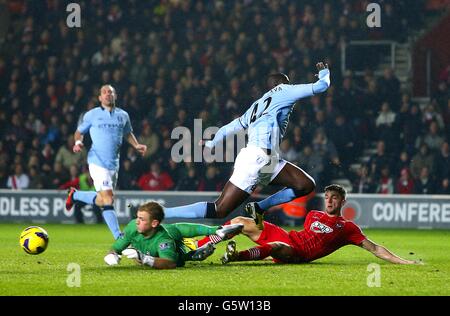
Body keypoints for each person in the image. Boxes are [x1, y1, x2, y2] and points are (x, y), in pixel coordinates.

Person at [163, 62, 330, 220]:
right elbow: (322, 86)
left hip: (267, 159)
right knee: (220, 209)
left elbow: (231, 126)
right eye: (288, 82)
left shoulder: (256, 106)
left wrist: (211, 143)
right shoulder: (285, 90)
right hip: (256, 158)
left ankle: (258, 208)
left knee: (305, 184)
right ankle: (163, 213)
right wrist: (324, 72)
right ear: (280, 83)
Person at [220, 184, 422, 265]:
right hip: (288, 237)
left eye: (334, 198)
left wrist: (405, 262)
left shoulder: (347, 228)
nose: (329, 201)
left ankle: (236, 256)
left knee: (276, 248)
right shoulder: (313, 215)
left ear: (343, 201)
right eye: (327, 197)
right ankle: (204, 243)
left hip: (297, 253)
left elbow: (375, 248)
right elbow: (307, 235)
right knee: (239, 222)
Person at [65, 84, 147, 239]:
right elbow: (79, 132)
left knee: (103, 200)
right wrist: (77, 143)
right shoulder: (92, 115)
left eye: (111, 92)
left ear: (115, 96)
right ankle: (118, 236)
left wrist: (136, 145)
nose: (108, 94)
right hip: (97, 161)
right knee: (108, 198)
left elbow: (128, 132)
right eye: (104, 92)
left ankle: (75, 195)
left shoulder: (123, 115)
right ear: (100, 98)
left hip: (113, 164)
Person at [103, 202, 244, 269]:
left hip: (175, 245)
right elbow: (116, 248)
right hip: (171, 230)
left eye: (142, 219)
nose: (137, 221)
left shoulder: (164, 240)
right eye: (137, 217)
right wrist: (112, 255)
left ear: (154, 223)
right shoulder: (133, 227)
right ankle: (213, 234)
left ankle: (195, 252)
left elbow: (170, 263)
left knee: (180, 254)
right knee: (178, 228)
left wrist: (144, 258)